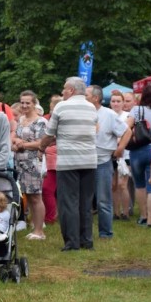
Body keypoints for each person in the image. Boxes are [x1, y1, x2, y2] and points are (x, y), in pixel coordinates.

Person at [40, 77, 98, 251]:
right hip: (89, 160)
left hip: (68, 162)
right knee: (85, 203)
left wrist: (42, 147)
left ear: (71, 90)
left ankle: (72, 243)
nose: (63, 91)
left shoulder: (61, 106)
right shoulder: (91, 108)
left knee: (68, 203)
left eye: (65, 89)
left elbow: (50, 134)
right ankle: (86, 241)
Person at [86, 85, 130, 239]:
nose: (82, 98)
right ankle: (85, 233)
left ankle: (105, 233)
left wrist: (120, 149)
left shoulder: (108, 114)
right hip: (84, 162)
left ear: (95, 98)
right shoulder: (82, 113)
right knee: (85, 201)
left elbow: (127, 131)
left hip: (102, 162)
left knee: (103, 200)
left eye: (86, 95)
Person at [127, 84, 151, 228]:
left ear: (143, 96)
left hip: (137, 151)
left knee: (139, 185)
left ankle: (143, 216)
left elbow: (127, 127)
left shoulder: (136, 110)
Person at [12, 90, 48, 239]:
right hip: (20, 163)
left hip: (33, 163)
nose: (25, 105)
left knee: (36, 197)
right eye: (23, 102)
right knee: (28, 195)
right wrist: (14, 143)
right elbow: (15, 136)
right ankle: (35, 226)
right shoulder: (21, 119)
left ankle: (40, 231)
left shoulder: (40, 121)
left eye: (28, 103)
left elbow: (42, 143)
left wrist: (23, 145)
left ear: (34, 104)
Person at [109, 90, 132, 220]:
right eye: (113, 101)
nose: (116, 103)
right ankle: (116, 213)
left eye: (118, 101)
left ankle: (126, 212)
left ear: (123, 103)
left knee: (122, 184)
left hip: (125, 154)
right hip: (110, 154)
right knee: (113, 185)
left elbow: (127, 134)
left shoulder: (127, 116)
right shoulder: (108, 114)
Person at [41, 94, 61, 224]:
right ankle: (53, 215)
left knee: (48, 189)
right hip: (48, 159)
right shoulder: (45, 118)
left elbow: (48, 138)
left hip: (55, 159)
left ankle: (50, 217)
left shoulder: (61, 119)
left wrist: (47, 142)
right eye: (51, 106)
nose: (52, 109)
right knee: (50, 190)